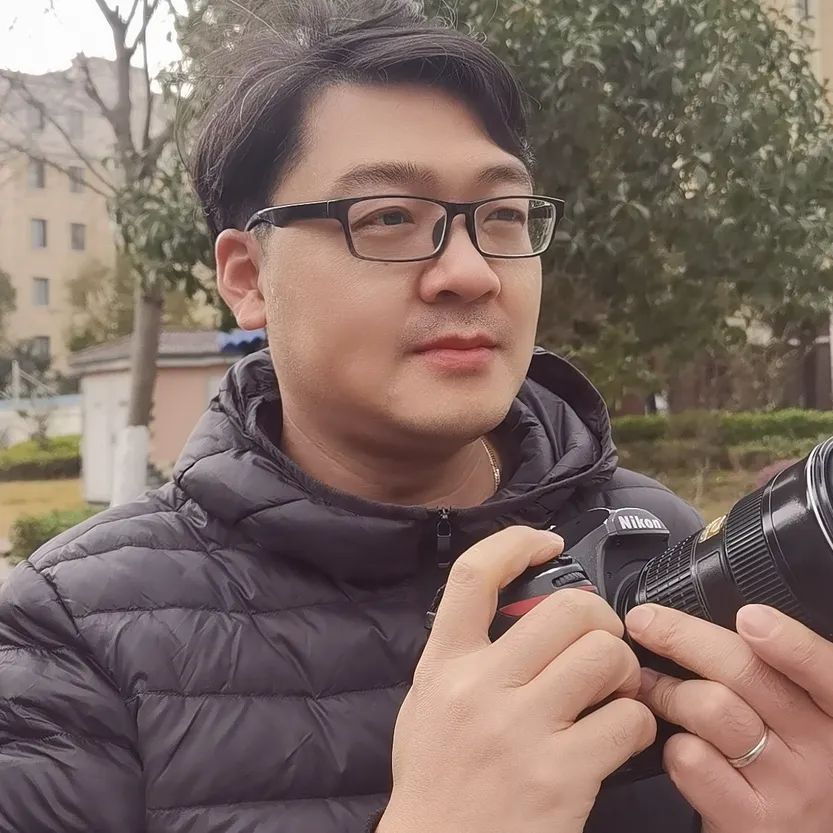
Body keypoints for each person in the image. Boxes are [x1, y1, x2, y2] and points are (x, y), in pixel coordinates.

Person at [3, 3, 833, 832]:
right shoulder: (69, 636)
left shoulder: (658, 538)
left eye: (501, 215)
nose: (470, 272)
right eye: (389, 218)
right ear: (248, 276)